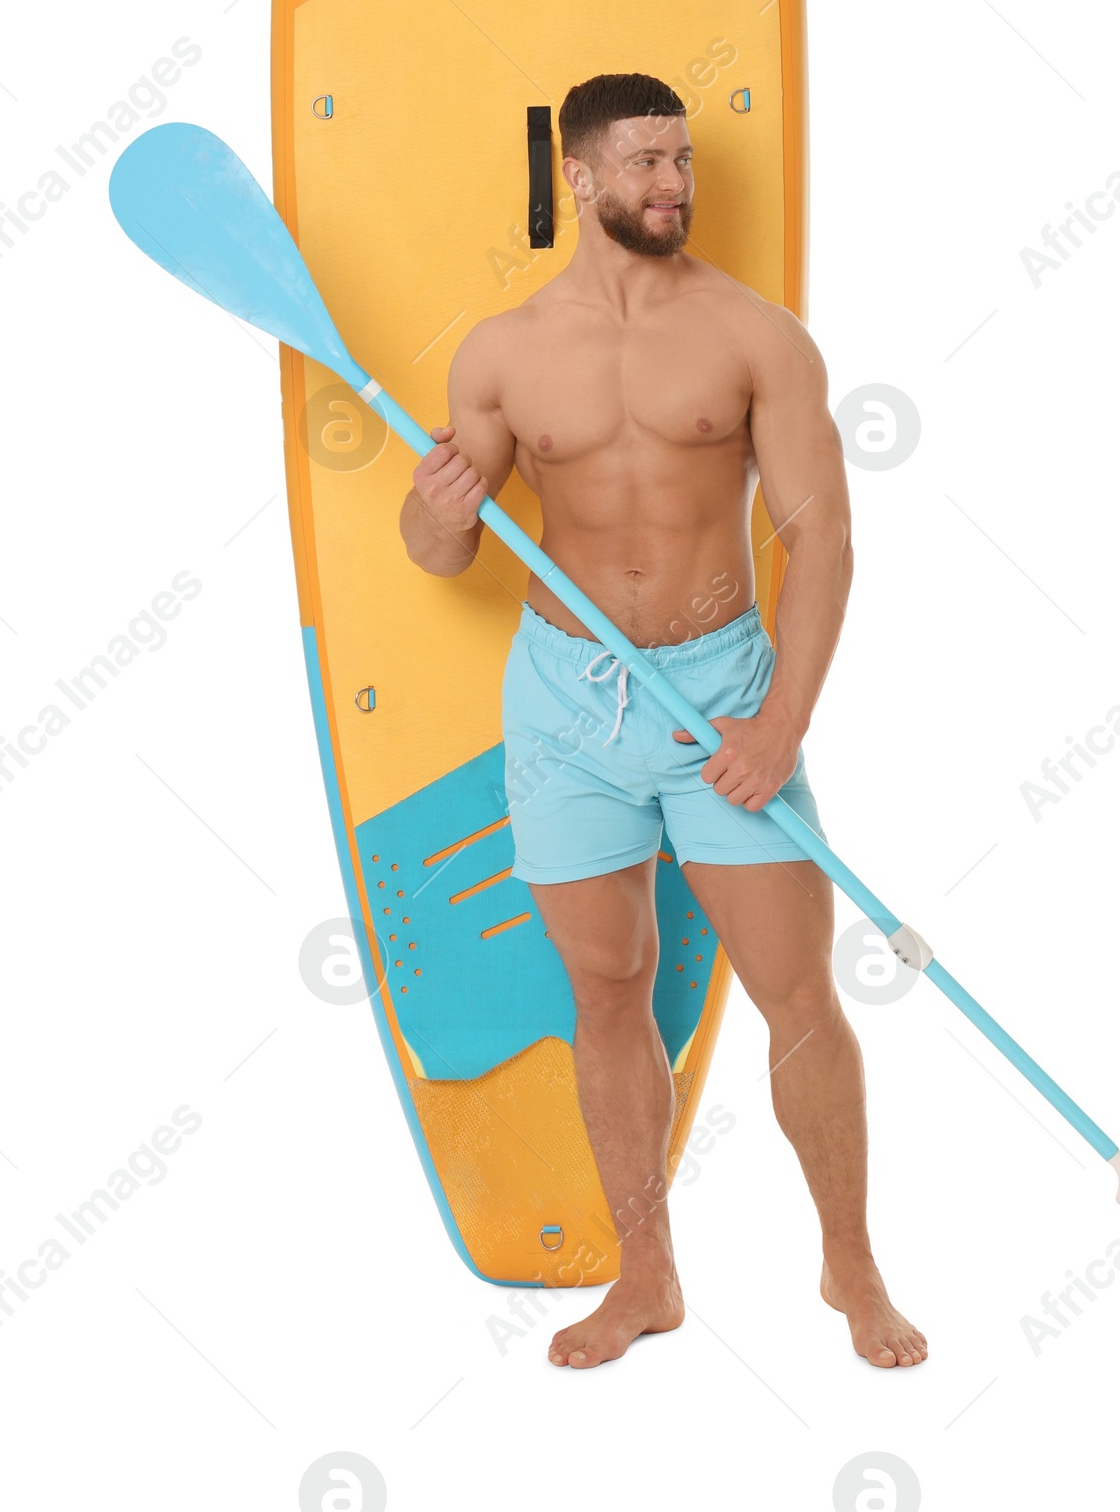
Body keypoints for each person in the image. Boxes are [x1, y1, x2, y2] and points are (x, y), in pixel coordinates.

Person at [398, 71, 926, 1374]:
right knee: (608, 988)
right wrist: (441, 505)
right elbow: (434, 554)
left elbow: (825, 540)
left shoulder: (757, 337)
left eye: (679, 160)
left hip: (723, 691)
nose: (670, 185)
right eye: (642, 163)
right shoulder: (503, 352)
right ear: (577, 176)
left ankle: (850, 1265)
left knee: (798, 991)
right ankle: (647, 1276)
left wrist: (782, 720)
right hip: (566, 703)